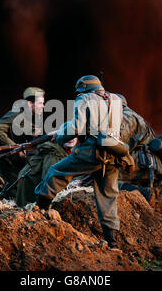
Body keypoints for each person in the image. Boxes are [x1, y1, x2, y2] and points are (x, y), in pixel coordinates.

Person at [34, 75, 129, 250]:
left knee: (56, 172)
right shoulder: (115, 99)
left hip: (91, 151)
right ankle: (113, 243)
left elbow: (76, 127)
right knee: (108, 197)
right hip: (113, 152)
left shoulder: (84, 98)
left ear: (82, 89)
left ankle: (39, 211)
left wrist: (61, 137)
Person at [0, 87, 46, 196]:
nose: (43, 106)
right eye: (40, 103)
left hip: (8, 161)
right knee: (12, 192)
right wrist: (16, 147)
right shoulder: (17, 113)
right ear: (29, 103)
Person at [116, 94, 162, 201]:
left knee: (101, 179)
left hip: (142, 166)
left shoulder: (128, 118)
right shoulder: (130, 116)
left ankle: (144, 193)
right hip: (144, 165)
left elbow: (117, 145)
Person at [15, 138, 78, 207]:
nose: (70, 139)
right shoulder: (55, 153)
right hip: (34, 203)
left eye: (73, 135)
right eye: (67, 135)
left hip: (30, 201)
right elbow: (51, 182)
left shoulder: (69, 151)